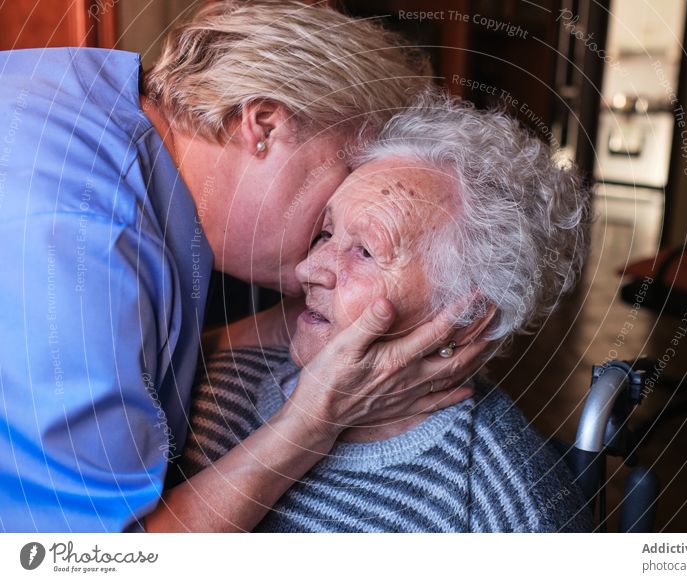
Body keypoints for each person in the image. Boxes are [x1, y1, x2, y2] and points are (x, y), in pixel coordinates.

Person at [0, 1, 480, 533]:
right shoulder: (81, 240)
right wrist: (314, 421)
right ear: (264, 126)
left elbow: (131, 359)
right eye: (340, 186)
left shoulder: (88, 100)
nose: (325, 251)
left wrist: (313, 321)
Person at [179, 94, 594, 532]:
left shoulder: (498, 507)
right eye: (325, 232)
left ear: (467, 318)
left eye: (364, 252)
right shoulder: (214, 390)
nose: (308, 269)